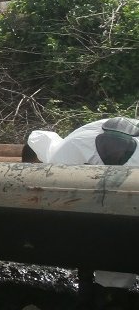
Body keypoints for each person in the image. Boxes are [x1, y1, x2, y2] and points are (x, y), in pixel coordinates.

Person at [25, 117, 139, 289]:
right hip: (125, 175)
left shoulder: (60, 157)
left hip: (127, 185)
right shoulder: (78, 137)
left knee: (110, 238)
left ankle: (111, 298)